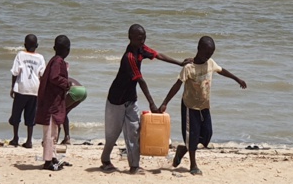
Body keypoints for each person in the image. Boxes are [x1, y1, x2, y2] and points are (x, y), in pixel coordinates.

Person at [100, 24, 191, 175]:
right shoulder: (129, 57)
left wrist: (180, 63)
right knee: (112, 135)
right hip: (116, 100)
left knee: (134, 132)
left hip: (131, 98)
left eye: (144, 38)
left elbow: (158, 55)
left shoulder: (141, 49)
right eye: (139, 38)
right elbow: (141, 81)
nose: (142, 41)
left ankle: (134, 166)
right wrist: (152, 103)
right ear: (130, 38)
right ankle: (105, 160)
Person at [158, 36, 247, 175]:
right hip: (190, 106)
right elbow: (177, 85)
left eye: (211, 53)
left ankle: (183, 149)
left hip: (204, 106)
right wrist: (165, 103)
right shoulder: (189, 68)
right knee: (192, 135)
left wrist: (237, 79)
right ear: (198, 49)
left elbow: (221, 70)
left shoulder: (210, 63)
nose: (208, 56)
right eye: (206, 53)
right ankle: (193, 164)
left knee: (207, 135)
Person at [36, 35, 72, 171]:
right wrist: (66, 83)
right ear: (68, 50)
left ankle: (52, 157)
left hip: (53, 102)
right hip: (51, 103)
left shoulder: (55, 60)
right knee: (50, 133)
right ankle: (47, 161)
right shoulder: (58, 62)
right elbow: (54, 77)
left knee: (53, 132)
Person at [8, 34, 46, 149]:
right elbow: (42, 75)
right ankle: (29, 141)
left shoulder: (20, 55)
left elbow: (15, 72)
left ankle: (15, 138)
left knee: (16, 115)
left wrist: (12, 87)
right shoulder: (40, 58)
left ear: (24, 45)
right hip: (34, 89)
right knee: (31, 116)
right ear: (37, 45)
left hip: (21, 88)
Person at [58, 77, 86, 145]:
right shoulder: (63, 77)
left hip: (75, 90)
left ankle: (55, 137)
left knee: (59, 112)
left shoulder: (56, 79)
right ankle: (67, 137)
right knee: (64, 113)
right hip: (83, 91)